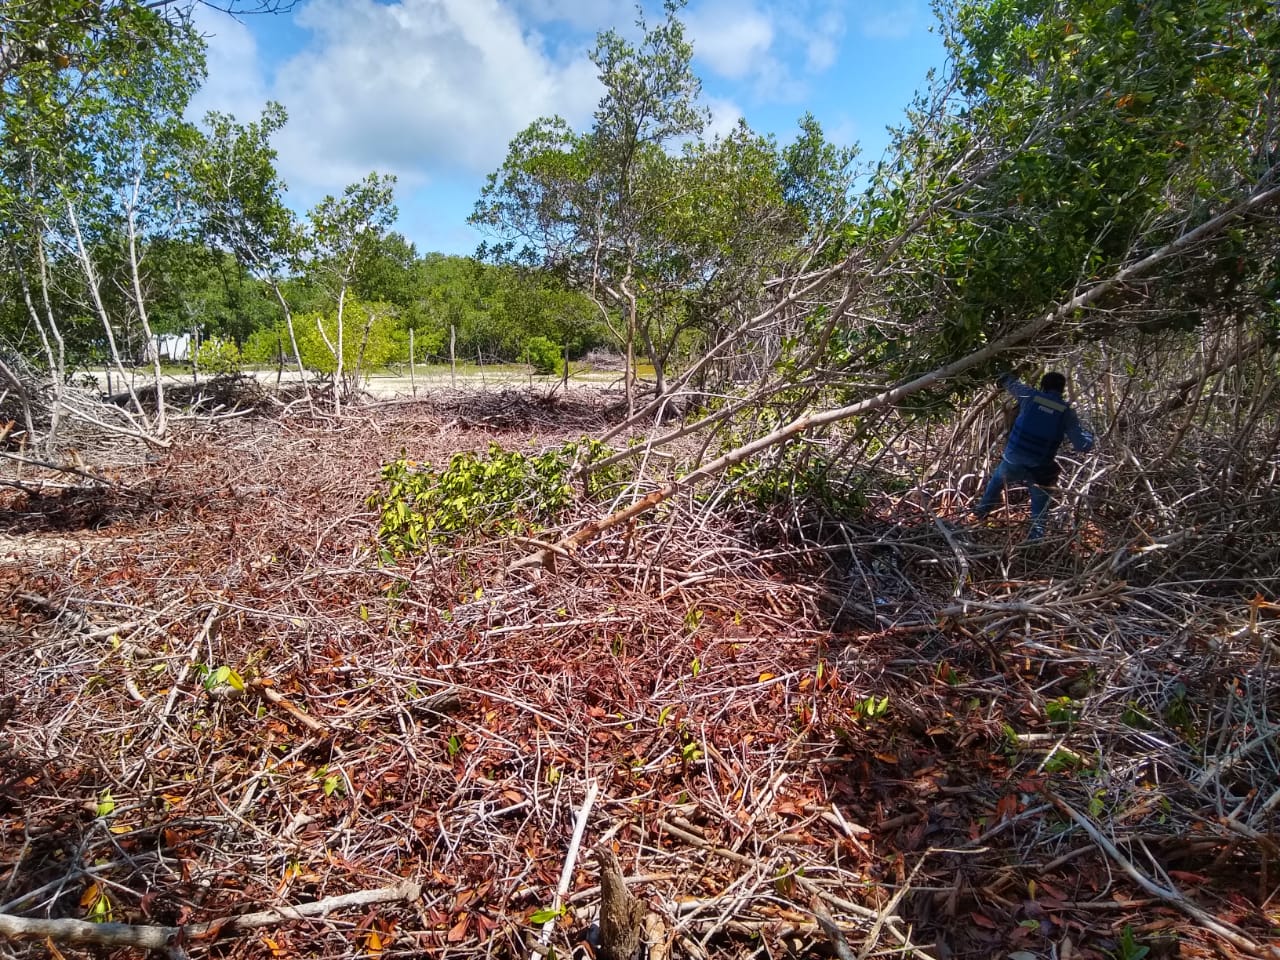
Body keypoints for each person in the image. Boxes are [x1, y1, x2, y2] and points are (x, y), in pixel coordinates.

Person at [972, 371, 1094, 540]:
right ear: (1062, 390)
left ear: (1043, 386)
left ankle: (978, 517)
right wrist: (1090, 436)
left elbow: (1008, 381)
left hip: (1013, 461)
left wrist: (1008, 374)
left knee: (996, 483)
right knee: (1039, 509)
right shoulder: (1066, 413)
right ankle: (1034, 542)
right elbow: (1083, 446)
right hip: (1039, 469)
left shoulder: (1030, 396)